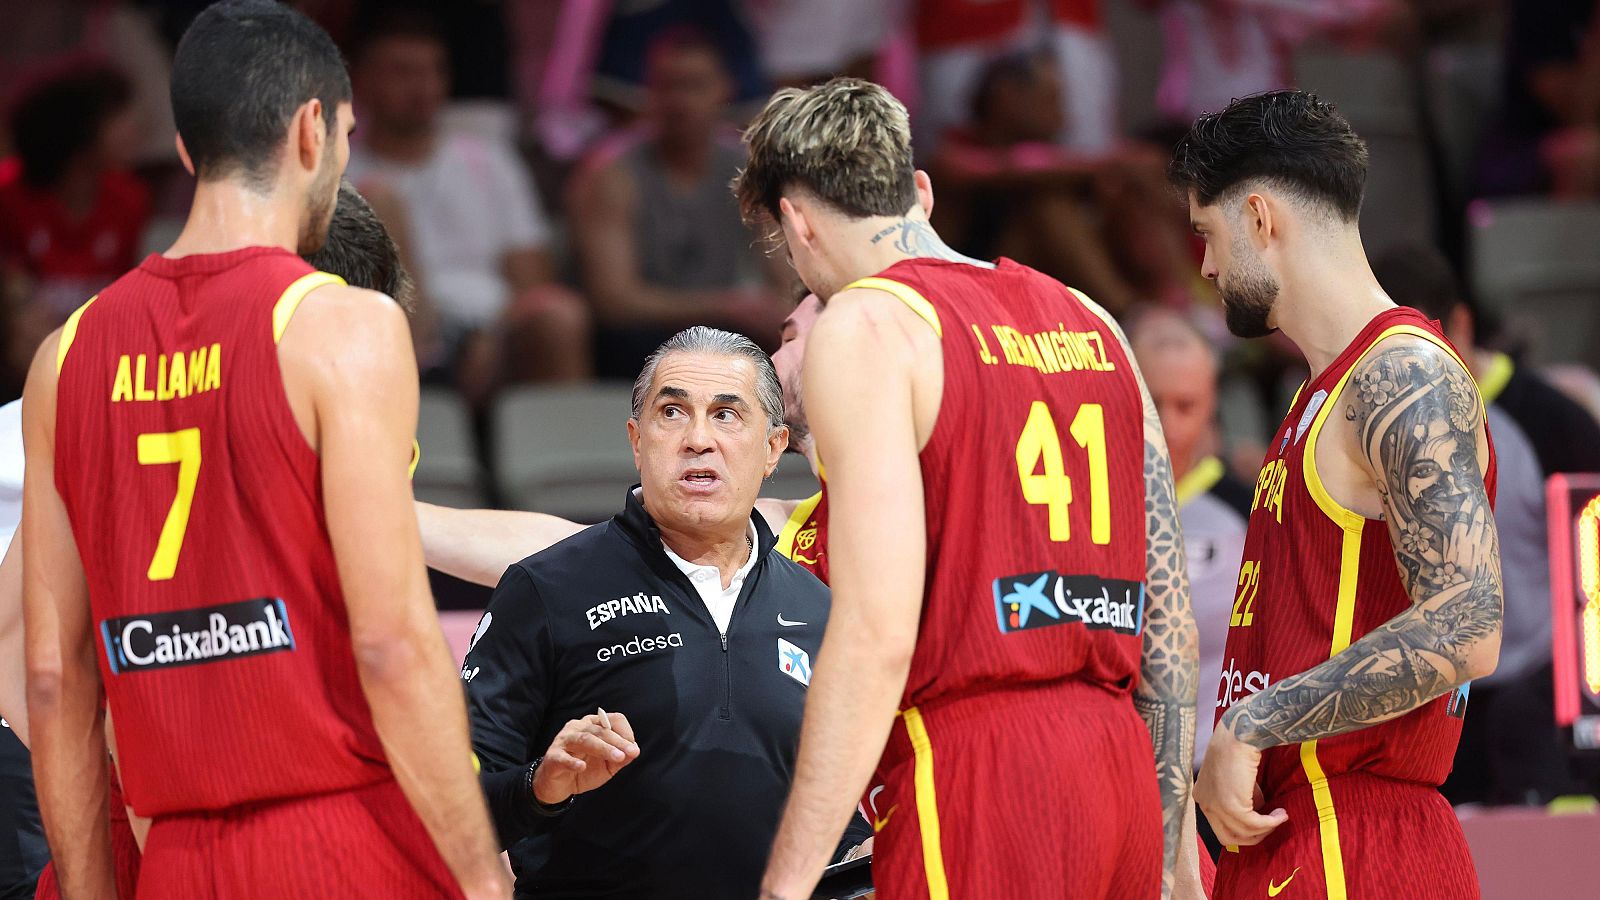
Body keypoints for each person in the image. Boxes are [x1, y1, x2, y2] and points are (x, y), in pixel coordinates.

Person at [18, 3, 506, 897]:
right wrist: (482, 879)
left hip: (172, 852)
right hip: (343, 838)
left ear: (184, 144)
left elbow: (51, 677)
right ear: (313, 128)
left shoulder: (67, 352)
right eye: (350, 133)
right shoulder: (341, 324)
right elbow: (394, 644)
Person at [733, 78, 1201, 900]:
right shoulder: (1095, 319)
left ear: (797, 220)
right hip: (1117, 765)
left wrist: (788, 882)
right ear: (920, 190)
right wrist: (1174, 851)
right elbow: (1167, 617)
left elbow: (877, 632)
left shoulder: (869, 323)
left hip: (980, 768)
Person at [3, 180, 430, 899]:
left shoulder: (94, 367)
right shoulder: (100, 390)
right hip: (188, 814)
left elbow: (32, 659)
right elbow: (31, 661)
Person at [1171, 91, 1503, 900]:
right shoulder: (1320, 392)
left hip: (1357, 831)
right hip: (1296, 826)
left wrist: (1255, 723)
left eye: (1208, 236)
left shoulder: (1401, 374)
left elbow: (1470, 622)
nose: (1207, 267)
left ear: (1260, 216)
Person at [462, 327, 869, 898]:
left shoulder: (822, 611)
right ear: (635, 438)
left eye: (727, 415)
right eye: (673, 412)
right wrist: (542, 786)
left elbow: (842, 816)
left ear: (774, 449)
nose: (698, 439)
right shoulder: (545, 589)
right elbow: (452, 807)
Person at [1373, 245, 1591, 805]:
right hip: (1429, 704)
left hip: (1541, 704)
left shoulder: (1554, 424)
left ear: (1462, 325)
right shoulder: (1369, 430)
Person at [347, 9, 590, 401]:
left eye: (433, 71)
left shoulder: (486, 160)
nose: (422, 87)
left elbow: (531, 276)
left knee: (558, 315)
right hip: (400, 328)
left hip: (495, 330)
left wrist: (491, 335)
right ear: (362, 80)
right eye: (403, 72)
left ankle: (566, 455)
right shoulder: (344, 171)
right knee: (378, 198)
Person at [569, 27, 791, 379]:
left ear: (725, 90)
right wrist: (730, 306)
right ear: (649, 92)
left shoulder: (749, 168)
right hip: (636, 336)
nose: (680, 101)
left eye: (695, 86)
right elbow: (613, 301)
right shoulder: (612, 173)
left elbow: (785, 281)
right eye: (668, 86)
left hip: (719, 335)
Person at [1128, 309, 1252, 774]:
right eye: (1153, 403)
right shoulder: (1080, 505)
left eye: (1187, 405)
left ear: (1212, 400)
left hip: (1214, 776)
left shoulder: (1253, 510)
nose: (1168, 426)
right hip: (1120, 778)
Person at [0, 60, 150, 391]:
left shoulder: (130, 200)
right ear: (82, 127)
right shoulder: (8, 195)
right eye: (120, 117)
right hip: (20, 370)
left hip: (96, 367)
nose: (136, 127)